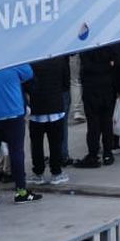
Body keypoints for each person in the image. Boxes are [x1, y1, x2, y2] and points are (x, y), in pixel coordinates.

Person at [0, 64, 41, 204]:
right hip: (14, 113)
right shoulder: (14, 63)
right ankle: (21, 191)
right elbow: (30, 74)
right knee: (17, 153)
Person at [27, 55, 70, 186]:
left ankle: (38, 173)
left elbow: (26, 85)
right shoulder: (60, 59)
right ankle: (56, 172)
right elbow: (66, 83)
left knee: (36, 144)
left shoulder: (31, 62)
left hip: (37, 108)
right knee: (56, 142)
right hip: (56, 107)